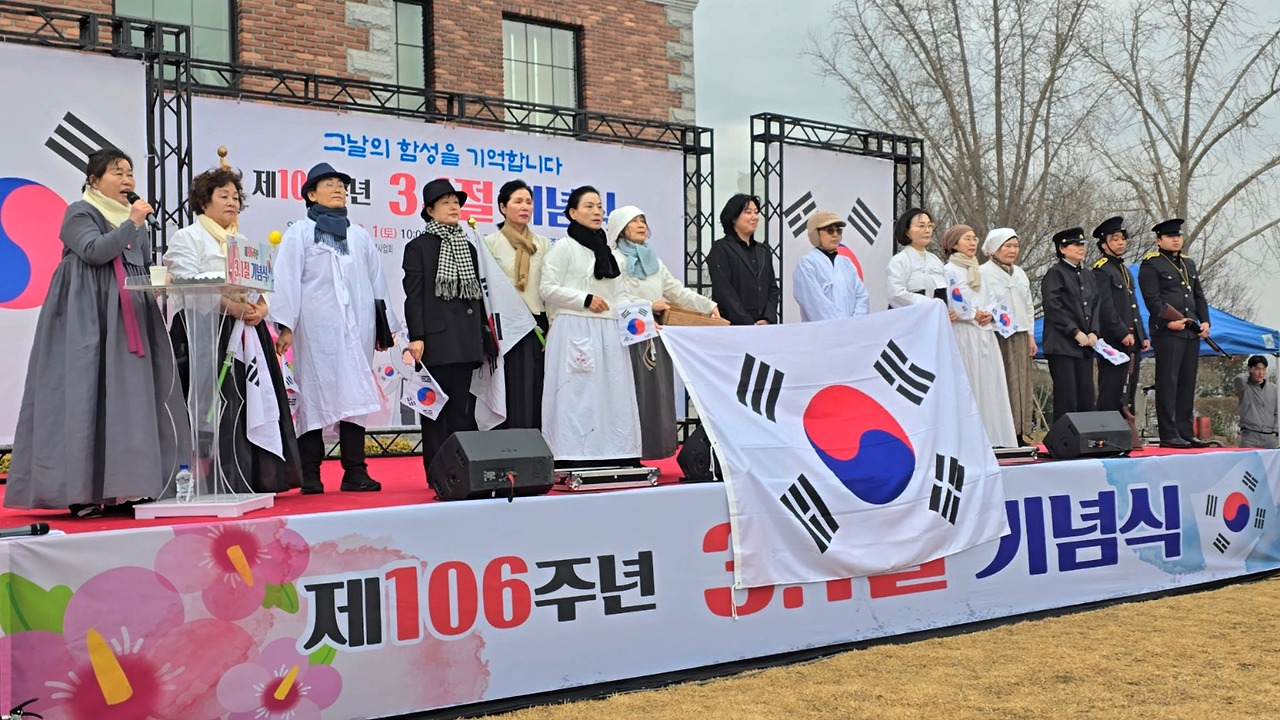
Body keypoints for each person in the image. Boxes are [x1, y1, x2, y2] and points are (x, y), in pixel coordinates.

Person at [4, 148, 190, 517]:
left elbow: (140, 265)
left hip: (130, 313)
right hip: (88, 313)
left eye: (130, 173)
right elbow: (93, 251)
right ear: (93, 180)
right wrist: (131, 224)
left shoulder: (135, 221)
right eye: (117, 172)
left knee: (131, 399)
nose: (127, 180)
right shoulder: (81, 212)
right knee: (85, 395)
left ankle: (132, 486)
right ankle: (81, 492)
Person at [164, 162, 301, 494]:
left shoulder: (243, 242)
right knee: (214, 407)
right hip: (203, 331)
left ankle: (252, 475)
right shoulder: (187, 238)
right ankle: (211, 478)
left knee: (249, 402)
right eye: (223, 195)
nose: (232, 202)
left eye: (236, 197)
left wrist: (261, 308)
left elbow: (264, 287)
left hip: (246, 330)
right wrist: (230, 305)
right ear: (204, 200)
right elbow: (186, 282)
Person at [269, 162, 400, 493]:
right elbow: (286, 280)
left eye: (341, 184)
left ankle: (355, 471)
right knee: (313, 394)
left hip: (359, 329)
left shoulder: (359, 236)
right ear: (312, 195)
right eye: (329, 184)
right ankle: (310, 473)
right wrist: (286, 326)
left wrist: (383, 329)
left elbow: (376, 282)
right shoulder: (300, 233)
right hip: (316, 330)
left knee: (356, 395)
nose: (339, 189)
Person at [540, 186, 642, 465]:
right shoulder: (564, 248)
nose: (597, 212)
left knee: (613, 393)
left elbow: (620, 295)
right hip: (575, 328)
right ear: (572, 213)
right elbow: (547, 288)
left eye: (599, 206)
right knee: (577, 394)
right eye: (589, 206)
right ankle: (572, 454)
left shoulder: (610, 254)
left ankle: (617, 452)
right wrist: (584, 299)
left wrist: (639, 319)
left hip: (609, 331)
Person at [609, 205, 719, 460]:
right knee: (633, 391)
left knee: (657, 392)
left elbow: (677, 292)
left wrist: (708, 305)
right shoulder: (614, 260)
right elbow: (615, 298)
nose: (641, 225)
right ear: (620, 228)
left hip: (656, 333)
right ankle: (630, 450)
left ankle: (655, 449)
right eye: (634, 221)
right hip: (627, 333)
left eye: (643, 220)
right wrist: (648, 305)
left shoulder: (654, 262)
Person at [404, 179, 497, 471]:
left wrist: (483, 337)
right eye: (446, 202)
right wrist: (417, 336)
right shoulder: (418, 247)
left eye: (456, 202)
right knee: (435, 409)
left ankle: (460, 471)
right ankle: (437, 471)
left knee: (461, 409)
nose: (454, 206)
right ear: (430, 210)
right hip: (436, 340)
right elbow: (414, 297)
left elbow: (478, 296)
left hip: (465, 339)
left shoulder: (468, 246)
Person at [483, 179, 552, 429]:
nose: (525, 207)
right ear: (503, 207)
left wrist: (552, 324)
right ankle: (509, 444)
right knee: (510, 388)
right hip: (507, 327)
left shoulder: (543, 244)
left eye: (529, 202)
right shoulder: (490, 243)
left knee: (537, 388)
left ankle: (536, 442)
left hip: (537, 325)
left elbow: (550, 287)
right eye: (518, 201)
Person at [1138, 218, 1210, 448]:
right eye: (1170, 236)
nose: (1176, 239)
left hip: (1190, 330)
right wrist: (1168, 323)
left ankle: (1185, 431)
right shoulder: (1152, 264)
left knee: (1187, 383)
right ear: (1159, 240)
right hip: (1168, 331)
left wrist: (1205, 321)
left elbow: (1198, 295)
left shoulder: (1188, 263)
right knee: (1168, 382)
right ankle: (1169, 434)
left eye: (1178, 235)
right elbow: (1152, 300)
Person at [942, 224, 1017, 448]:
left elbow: (991, 299)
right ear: (954, 244)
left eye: (974, 238)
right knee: (970, 383)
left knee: (990, 385)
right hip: (964, 334)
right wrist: (972, 313)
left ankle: (995, 438)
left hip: (984, 333)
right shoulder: (949, 271)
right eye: (967, 238)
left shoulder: (979, 271)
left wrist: (991, 314)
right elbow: (954, 299)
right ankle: (970, 441)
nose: (973, 242)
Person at [1041, 227, 1121, 424]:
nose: (1081, 249)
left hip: (1084, 345)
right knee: (1067, 396)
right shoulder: (1055, 273)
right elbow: (1054, 307)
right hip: (1062, 345)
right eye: (1076, 245)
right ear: (1062, 248)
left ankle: (1087, 437)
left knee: (1086, 396)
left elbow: (1095, 305)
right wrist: (1074, 331)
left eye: (1082, 245)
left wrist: (1094, 331)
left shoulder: (1087, 274)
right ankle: (1065, 437)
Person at [979, 228, 1036, 446]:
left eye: (1015, 246)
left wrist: (1030, 335)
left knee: (1022, 383)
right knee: (1003, 381)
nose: (1012, 251)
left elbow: (1028, 305)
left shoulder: (1020, 273)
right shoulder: (983, 272)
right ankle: (1002, 433)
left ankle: (1020, 431)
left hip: (1020, 333)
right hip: (998, 333)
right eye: (1007, 246)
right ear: (994, 249)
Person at [1091, 216, 1149, 417]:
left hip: (1132, 340)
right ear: (1104, 245)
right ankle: (1106, 428)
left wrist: (1142, 335)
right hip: (1114, 340)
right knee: (1112, 389)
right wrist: (1122, 332)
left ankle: (1125, 428)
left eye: (1123, 239)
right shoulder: (1102, 270)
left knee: (1129, 390)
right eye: (1114, 239)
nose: (1121, 243)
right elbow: (1106, 308)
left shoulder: (1124, 270)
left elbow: (1133, 306)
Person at [706, 193, 780, 325]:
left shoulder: (763, 250)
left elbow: (772, 289)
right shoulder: (721, 249)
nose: (754, 217)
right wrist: (748, 323)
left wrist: (768, 319)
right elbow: (724, 292)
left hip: (763, 326)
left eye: (756, 212)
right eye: (748, 212)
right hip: (734, 326)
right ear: (734, 217)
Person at [793, 211, 870, 321]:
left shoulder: (847, 263)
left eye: (839, 231)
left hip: (852, 329)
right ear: (816, 233)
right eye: (830, 230)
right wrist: (839, 326)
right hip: (821, 330)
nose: (835, 235)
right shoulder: (807, 265)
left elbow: (862, 297)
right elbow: (814, 304)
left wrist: (854, 323)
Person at [887, 207, 949, 311]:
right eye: (921, 226)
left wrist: (949, 310)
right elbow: (896, 295)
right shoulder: (899, 261)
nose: (927, 230)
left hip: (935, 317)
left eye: (929, 226)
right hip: (910, 318)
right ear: (907, 232)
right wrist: (930, 304)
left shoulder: (935, 261)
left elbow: (946, 292)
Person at [1234, 355, 1278, 448]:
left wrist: (1276, 431)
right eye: (1257, 369)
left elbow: (1277, 411)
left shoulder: (1274, 389)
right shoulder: (1244, 387)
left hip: (1270, 436)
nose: (1260, 372)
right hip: (1249, 435)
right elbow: (1239, 379)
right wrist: (1249, 374)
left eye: (1263, 369)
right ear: (1250, 369)